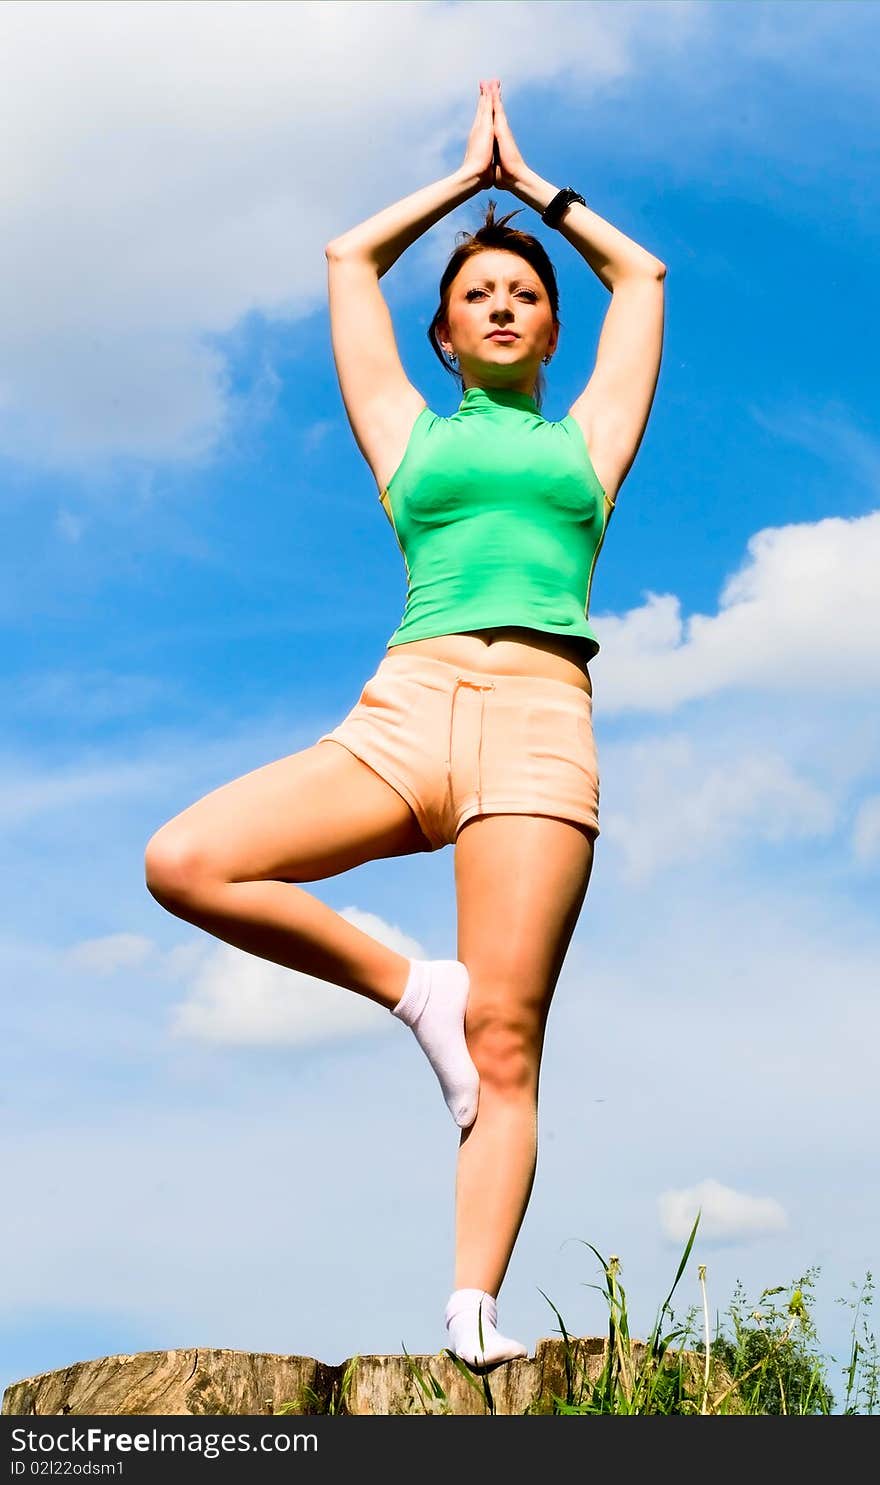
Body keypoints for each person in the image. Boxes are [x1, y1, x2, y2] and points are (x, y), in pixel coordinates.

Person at [144, 78, 666, 1374]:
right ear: (441, 335)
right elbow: (346, 257)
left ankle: (471, 1313)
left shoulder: (589, 444)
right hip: (406, 709)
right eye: (479, 294)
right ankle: (406, 987)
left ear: (552, 330)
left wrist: (532, 187)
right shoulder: (408, 437)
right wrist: (464, 181)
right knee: (188, 859)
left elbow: (644, 278)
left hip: (543, 724)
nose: (504, 303)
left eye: (526, 294)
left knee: (507, 1038)